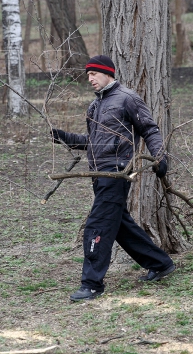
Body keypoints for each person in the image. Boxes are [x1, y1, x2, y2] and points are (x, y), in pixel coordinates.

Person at [51, 55, 176, 301]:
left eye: (94, 74)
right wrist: (65, 137)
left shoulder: (127, 99)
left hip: (118, 172)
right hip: (99, 175)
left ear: (108, 73)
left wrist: (160, 157)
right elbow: (93, 143)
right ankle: (160, 264)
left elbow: (149, 129)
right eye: (88, 75)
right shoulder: (94, 107)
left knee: (97, 225)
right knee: (119, 225)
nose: (90, 79)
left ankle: (92, 284)